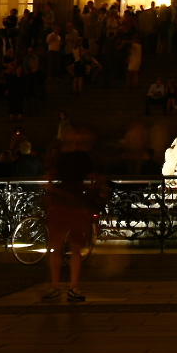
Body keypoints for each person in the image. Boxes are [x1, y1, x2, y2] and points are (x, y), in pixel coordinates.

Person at [42, 127, 103, 304]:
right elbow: (95, 177)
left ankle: (59, 287)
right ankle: (70, 288)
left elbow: (51, 176)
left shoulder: (62, 156)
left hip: (64, 204)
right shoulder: (82, 157)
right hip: (74, 204)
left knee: (60, 248)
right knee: (71, 249)